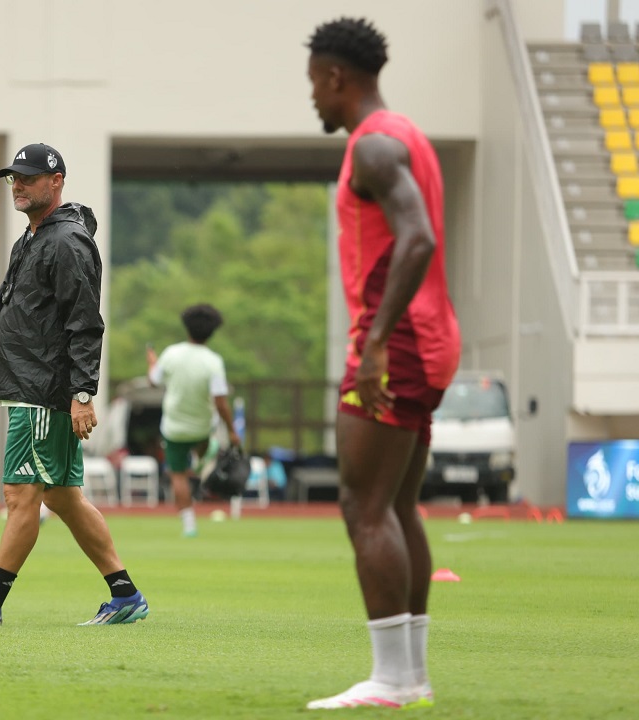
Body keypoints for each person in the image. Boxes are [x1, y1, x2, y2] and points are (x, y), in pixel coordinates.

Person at [303, 18, 461, 710]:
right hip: (428, 339)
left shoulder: (373, 147)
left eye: (314, 82)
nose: (312, 97)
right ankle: (412, 675)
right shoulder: (409, 134)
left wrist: (372, 345)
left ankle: (392, 680)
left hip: (394, 345)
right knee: (396, 505)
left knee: (362, 507)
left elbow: (418, 239)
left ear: (336, 77)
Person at [0, 143, 148, 628]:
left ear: (57, 181)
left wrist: (83, 394)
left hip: (41, 393)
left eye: (28, 178)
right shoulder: (30, 239)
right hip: (30, 387)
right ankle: (125, 594)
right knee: (62, 497)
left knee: (20, 496)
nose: (19, 185)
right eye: (14, 178)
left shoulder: (67, 242)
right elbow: (3, 316)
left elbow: (85, 324)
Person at [146, 303, 241, 537]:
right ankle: (203, 460)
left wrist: (152, 361)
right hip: (202, 428)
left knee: (178, 475)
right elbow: (221, 402)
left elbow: (153, 380)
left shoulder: (171, 354)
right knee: (204, 450)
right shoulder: (213, 361)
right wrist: (231, 431)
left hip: (174, 428)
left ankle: (189, 525)